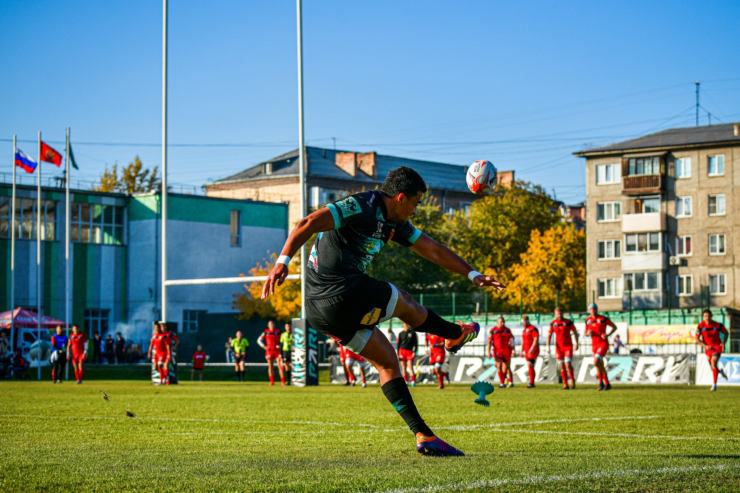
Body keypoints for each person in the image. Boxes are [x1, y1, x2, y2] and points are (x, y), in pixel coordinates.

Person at [261, 166, 505, 456]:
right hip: (342, 292)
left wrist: (472, 274)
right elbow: (309, 221)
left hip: (320, 312)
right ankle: (454, 334)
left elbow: (433, 249)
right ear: (400, 198)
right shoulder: (361, 205)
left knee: (388, 362)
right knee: (404, 301)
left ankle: (424, 435)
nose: (415, 211)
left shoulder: (395, 223)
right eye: (415, 204)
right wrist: (283, 260)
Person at [585, 303, 617, 391]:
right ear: (589, 310)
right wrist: (588, 333)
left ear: (596, 309)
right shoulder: (588, 320)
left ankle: (603, 383)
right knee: (599, 364)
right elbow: (586, 332)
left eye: (594, 309)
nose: (592, 311)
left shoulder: (603, 318)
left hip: (602, 343)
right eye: (591, 309)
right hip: (594, 345)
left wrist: (607, 334)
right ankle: (604, 383)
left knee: (595, 362)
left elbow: (614, 327)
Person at [696, 309, 729, 392]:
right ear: (703, 317)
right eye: (705, 316)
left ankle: (714, 385)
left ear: (711, 316)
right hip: (708, 349)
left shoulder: (718, 325)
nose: (707, 318)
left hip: (717, 347)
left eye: (709, 316)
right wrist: (705, 346)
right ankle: (720, 371)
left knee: (713, 362)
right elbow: (696, 338)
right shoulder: (700, 326)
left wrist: (723, 343)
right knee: (713, 368)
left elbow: (726, 333)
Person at [547, 307, 579, 390]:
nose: (559, 315)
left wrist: (576, 343)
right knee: (561, 365)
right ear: (555, 314)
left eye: (560, 313)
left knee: (567, 364)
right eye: (557, 313)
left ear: (563, 313)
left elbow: (575, 332)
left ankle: (572, 380)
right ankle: (565, 384)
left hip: (568, 346)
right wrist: (548, 346)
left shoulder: (568, 322)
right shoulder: (553, 323)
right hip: (558, 347)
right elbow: (549, 335)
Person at [487, 317, 514, 388]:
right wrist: (488, 352)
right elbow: (489, 341)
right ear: (497, 322)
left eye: (503, 322)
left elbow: (511, 340)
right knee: (498, 365)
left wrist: (513, 350)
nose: (503, 323)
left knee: (506, 367)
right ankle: (502, 383)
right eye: (501, 322)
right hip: (497, 351)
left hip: (506, 351)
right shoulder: (493, 330)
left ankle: (506, 381)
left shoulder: (507, 330)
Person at [258, 321, 285, 386]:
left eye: (273, 323)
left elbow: (283, 340)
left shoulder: (278, 331)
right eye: (270, 324)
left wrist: (280, 346)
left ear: (274, 324)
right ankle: (272, 381)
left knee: (280, 366)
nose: (272, 325)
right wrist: (264, 346)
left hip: (277, 351)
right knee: (270, 366)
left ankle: (283, 381)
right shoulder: (266, 332)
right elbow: (259, 340)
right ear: (268, 325)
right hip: (269, 351)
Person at [520, 315, 539, 388]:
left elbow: (535, 339)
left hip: (533, 350)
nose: (523, 323)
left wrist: (532, 348)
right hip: (526, 350)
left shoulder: (533, 329)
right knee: (530, 366)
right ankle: (532, 383)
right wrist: (521, 350)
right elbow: (523, 341)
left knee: (529, 364)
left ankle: (531, 383)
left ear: (527, 321)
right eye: (522, 322)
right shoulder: (524, 330)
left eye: (524, 322)